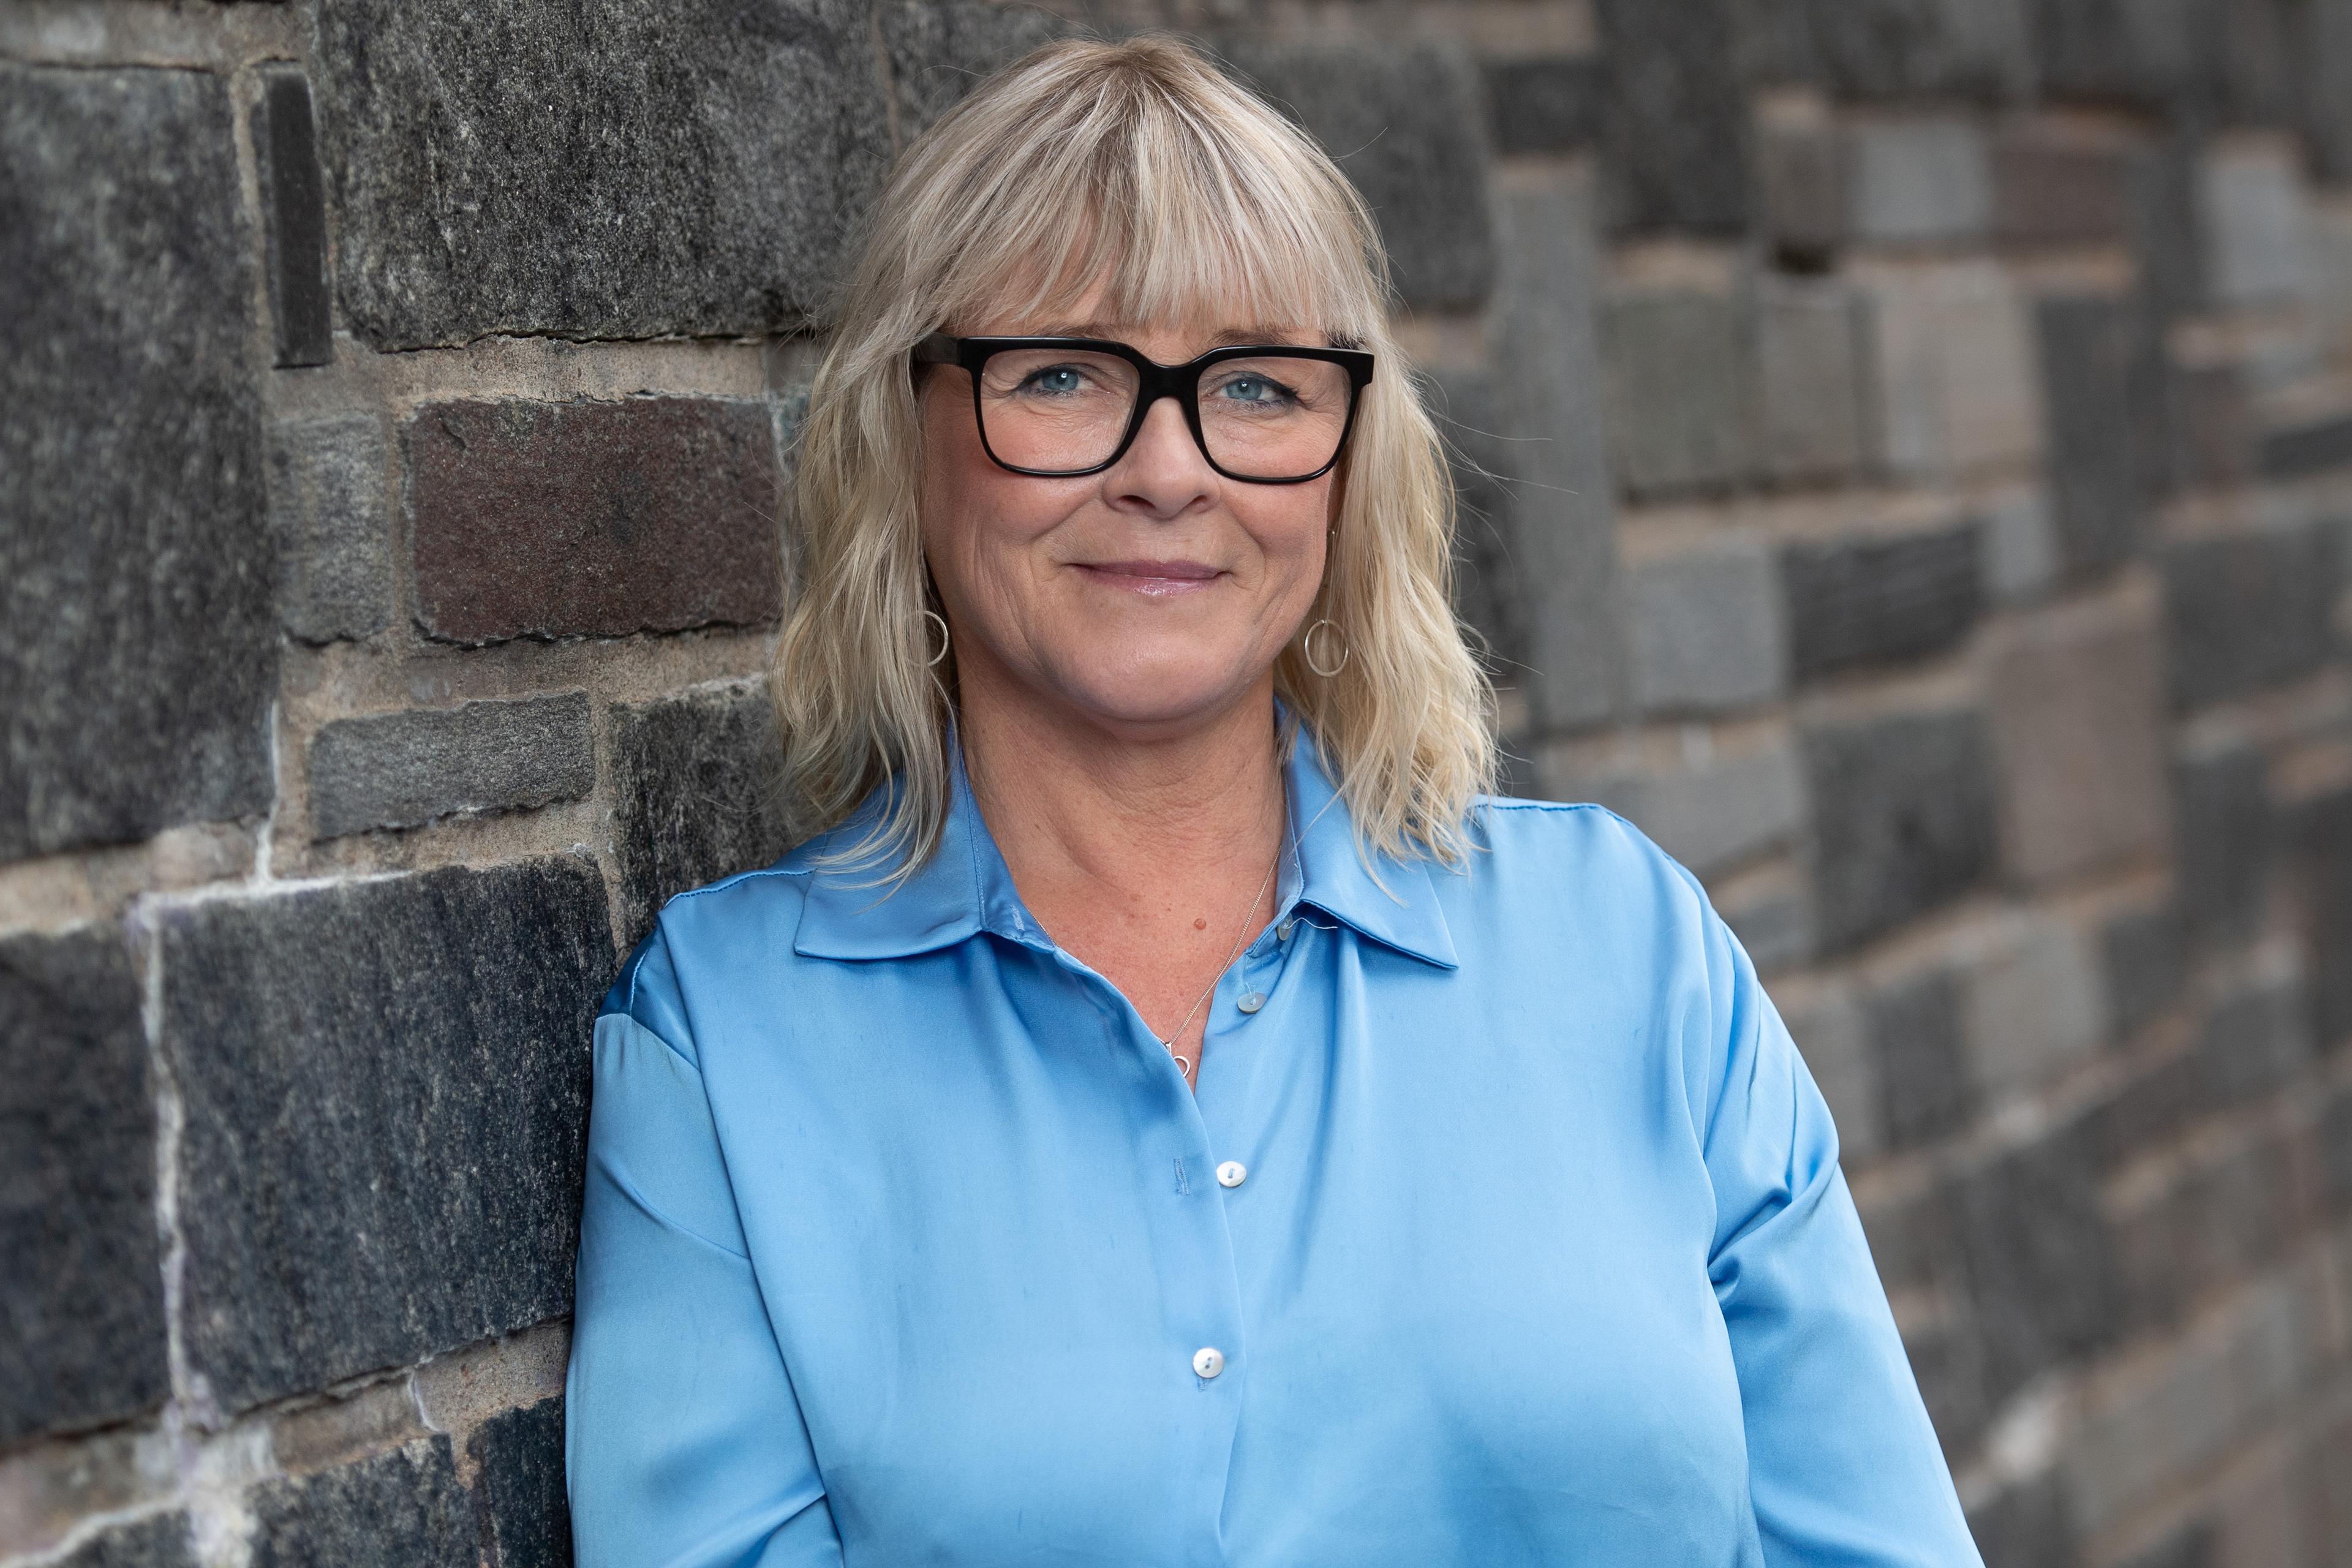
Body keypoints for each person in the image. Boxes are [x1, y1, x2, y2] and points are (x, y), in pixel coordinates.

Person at [564, 34, 1981, 1567]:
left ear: (1346, 466)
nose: (1171, 468)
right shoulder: (727, 1041)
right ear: (906, 440)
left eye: (1254, 386)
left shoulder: (1630, 947)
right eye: (1061, 374)